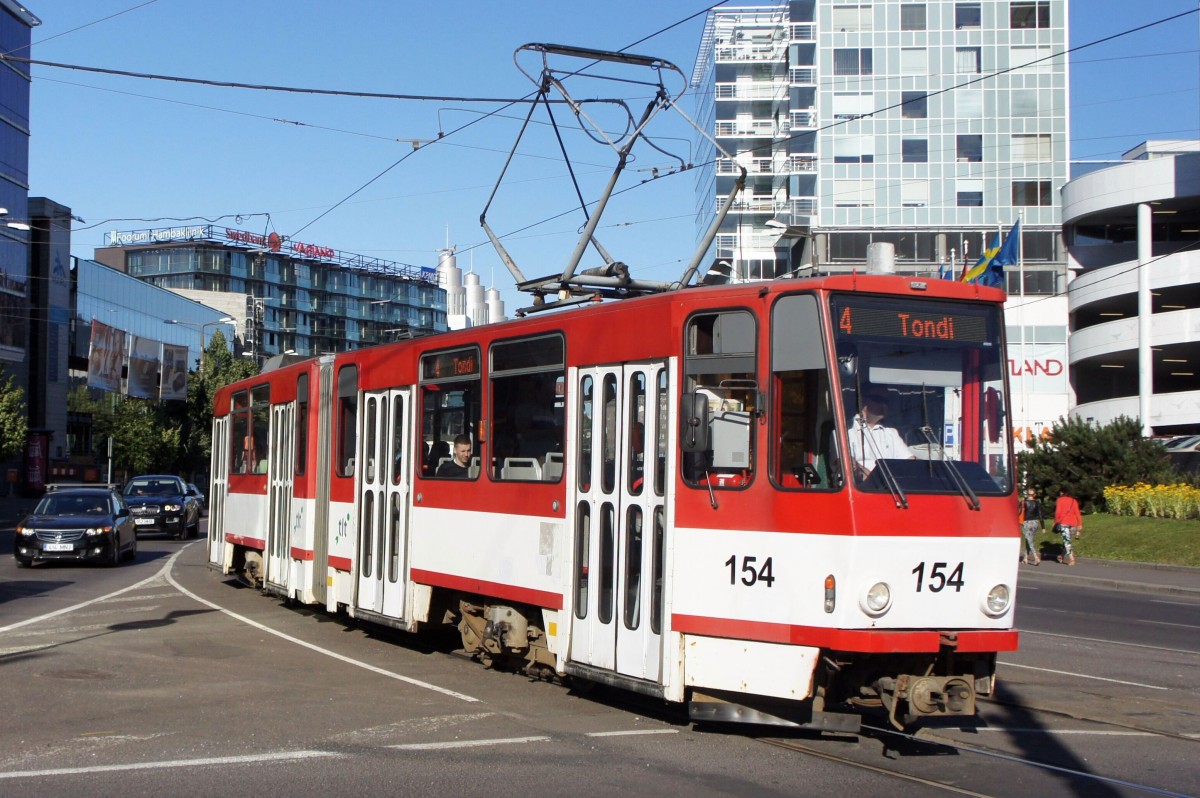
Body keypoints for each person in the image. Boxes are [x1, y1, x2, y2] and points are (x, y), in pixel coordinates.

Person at [847, 393, 914, 479]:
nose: (884, 405)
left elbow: (910, 461)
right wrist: (877, 480)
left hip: (893, 487)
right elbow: (847, 465)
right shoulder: (846, 431)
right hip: (862, 488)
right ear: (862, 401)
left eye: (886, 401)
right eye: (878, 399)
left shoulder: (891, 432)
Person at [1054, 488, 1082, 566]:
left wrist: (1056, 522)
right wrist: (1080, 524)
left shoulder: (1060, 500)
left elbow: (1057, 512)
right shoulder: (1074, 501)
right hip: (1073, 523)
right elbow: (1077, 513)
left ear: (1062, 493)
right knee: (1067, 540)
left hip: (1063, 523)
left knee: (1067, 541)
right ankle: (1062, 556)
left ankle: (1071, 558)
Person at [1019, 488, 1043, 565]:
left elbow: (1018, 511)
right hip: (1035, 522)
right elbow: (1040, 514)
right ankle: (1025, 558)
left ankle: (1036, 557)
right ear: (1034, 495)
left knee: (1029, 540)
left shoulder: (1023, 502)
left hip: (1026, 522)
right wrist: (1043, 526)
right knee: (1029, 540)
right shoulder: (1037, 502)